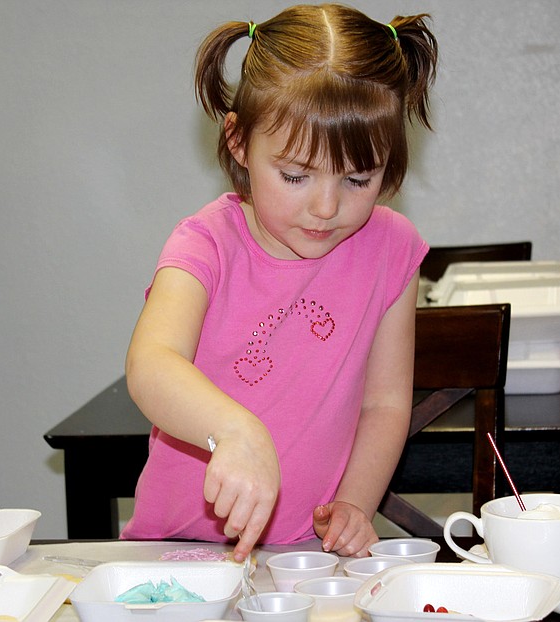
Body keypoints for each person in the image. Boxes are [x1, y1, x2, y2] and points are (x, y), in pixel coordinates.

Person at [121, 3, 438, 562]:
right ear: (240, 143)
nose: (325, 207)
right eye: (295, 175)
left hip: (304, 556)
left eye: (358, 178)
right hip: (176, 549)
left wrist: (355, 505)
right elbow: (151, 366)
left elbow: (385, 404)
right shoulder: (206, 244)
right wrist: (233, 431)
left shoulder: (392, 250)